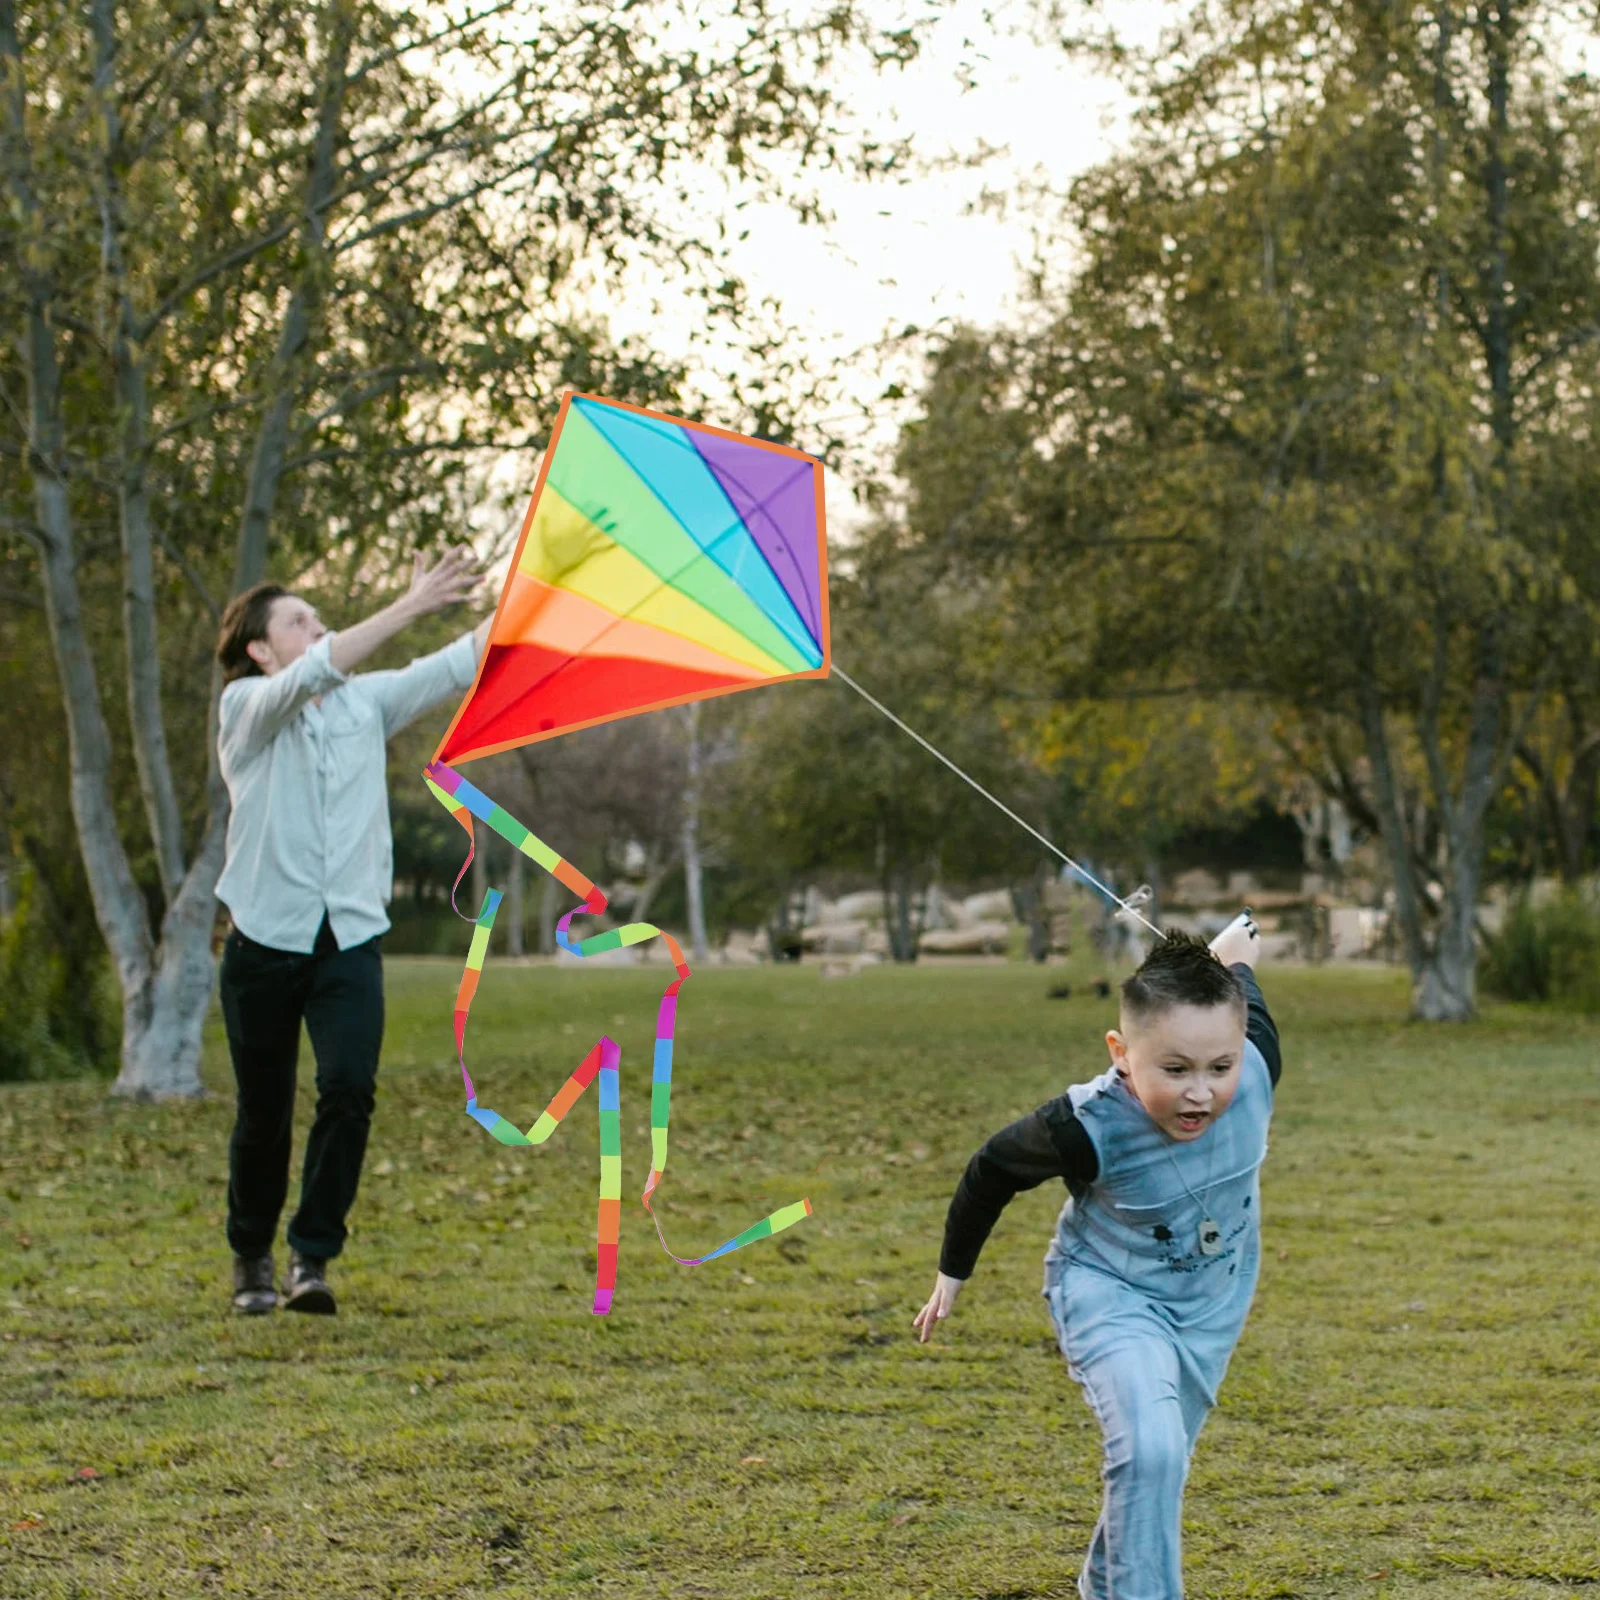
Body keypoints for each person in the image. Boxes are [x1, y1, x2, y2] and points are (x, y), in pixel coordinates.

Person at [913, 914, 1279, 1599]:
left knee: (1157, 1468)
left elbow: (1243, 994)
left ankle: (1106, 1587)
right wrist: (952, 1275)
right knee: (1151, 1450)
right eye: (1174, 1069)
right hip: (1107, 1290)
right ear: (1121, 1052)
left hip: (1210, 1307)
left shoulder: (1258, 1062)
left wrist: (1232, 958)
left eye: (1218, 1067)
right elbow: (991, 1169)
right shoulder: (1087, 1127)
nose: (1200, 1092)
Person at [212, 550, 489, 1316]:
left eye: (315, 615)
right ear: (262, 650)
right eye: (297, 621)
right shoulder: (246, 708)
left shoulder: (366, 703)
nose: (317, 624)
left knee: (349, 1089)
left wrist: (554, 592)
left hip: (349, 941)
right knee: (263, 1112)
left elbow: (460, 662)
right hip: (263, 944)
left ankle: (311, 1256)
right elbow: (315, 673)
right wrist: (410, 603)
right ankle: (250, 1259)